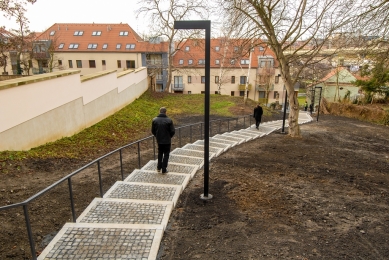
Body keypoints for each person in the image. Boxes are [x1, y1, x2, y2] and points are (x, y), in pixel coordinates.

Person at [151, 107, 175, 174]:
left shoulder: (154, 120)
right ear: (165, 112)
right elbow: (172, 131)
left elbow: (153, 131)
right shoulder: (169, 120)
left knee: (160, 153)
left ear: (159, 112)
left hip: (159, 140)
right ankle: (164, 169)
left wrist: (157, 136)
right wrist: (169, 136)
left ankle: (159, 167)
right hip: (167, 140)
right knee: (166, 154)